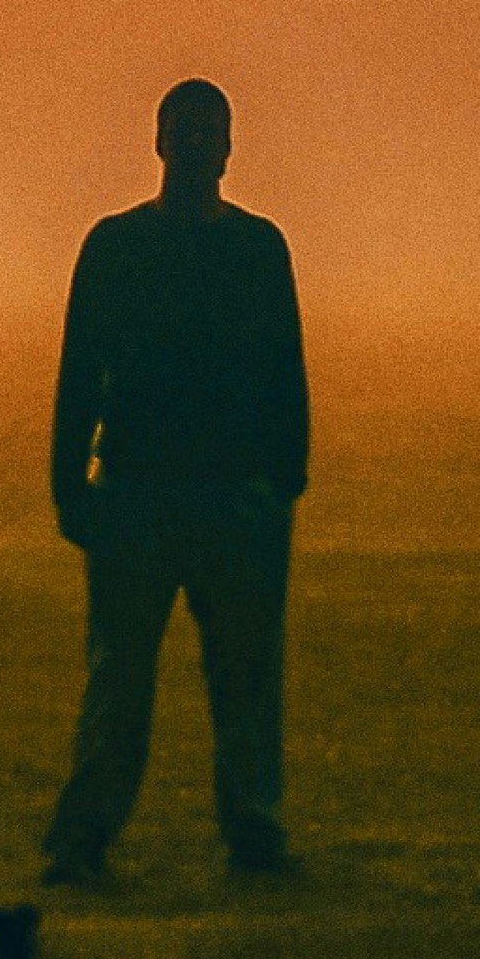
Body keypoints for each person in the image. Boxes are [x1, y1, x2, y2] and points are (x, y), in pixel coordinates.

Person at [41, 79, 310, 885]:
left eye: (206, 132)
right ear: (163, 142)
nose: (195, 147)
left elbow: (285, 380)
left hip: (169, 493)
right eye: (185, 132)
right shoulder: (248, 248)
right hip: (175, 495)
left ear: (224, 146)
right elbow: (80, 372)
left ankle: (90, 840)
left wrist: (72, 487)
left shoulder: (125, 245)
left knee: (156, 678)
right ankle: (244, 834)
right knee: (198, 680)